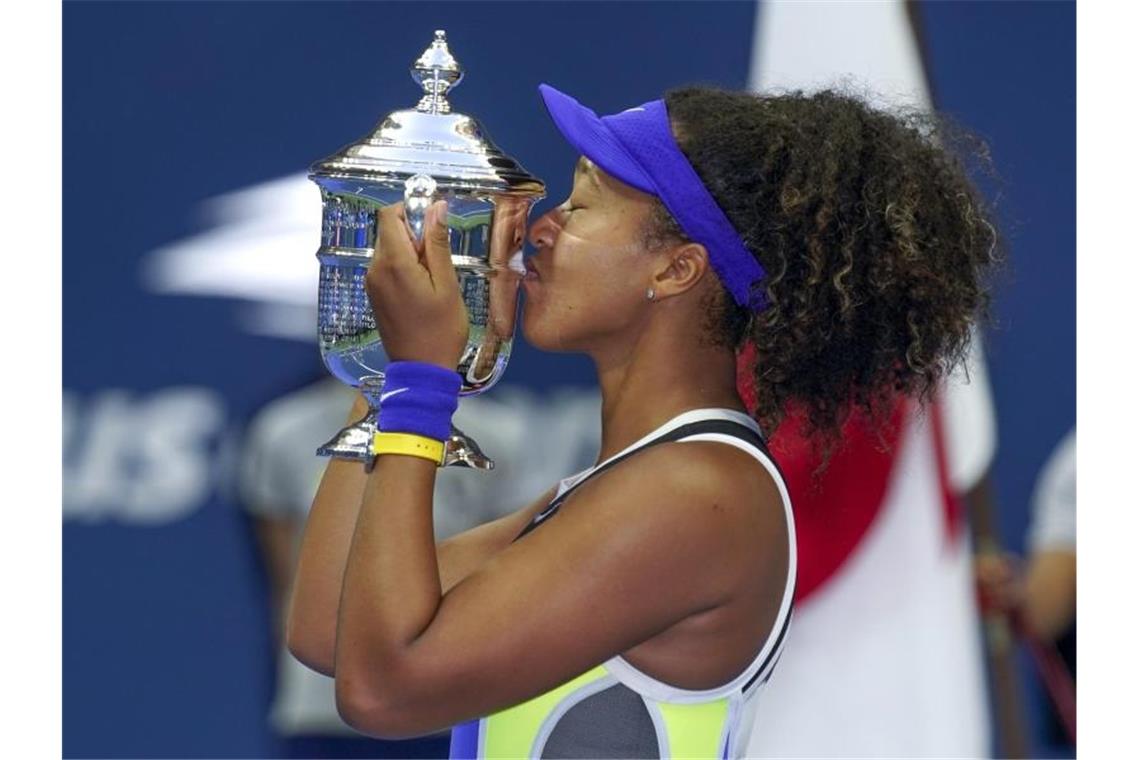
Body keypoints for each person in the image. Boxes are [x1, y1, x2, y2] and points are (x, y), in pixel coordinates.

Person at [286, 83, 1000, 759]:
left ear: (676, 271)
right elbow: (330, 626)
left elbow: (382, 692)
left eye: (583, 205)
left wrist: (424, 382)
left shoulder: (695, 495)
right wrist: (386, 371)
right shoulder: (636, 484)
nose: (540, 228)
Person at [240, 377, 602, 757]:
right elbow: (294, 592)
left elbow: (504, 577)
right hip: (319, 710)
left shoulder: (500, 433)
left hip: (446, 705)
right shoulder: (282, 429)